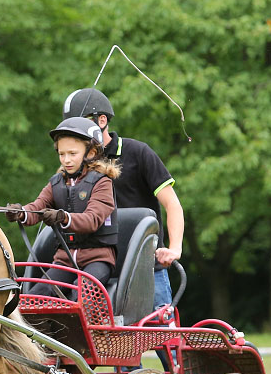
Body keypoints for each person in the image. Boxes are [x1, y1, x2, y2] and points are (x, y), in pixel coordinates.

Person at [62, 87, 184, 314]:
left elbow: (172, 204)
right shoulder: (75, 164)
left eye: (80, 126)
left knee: (164, 341)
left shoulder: (138, 153)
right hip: (93, 264)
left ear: (101, 120)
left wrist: (174, 248)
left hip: (145, 266)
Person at [6, 116, 120, 298]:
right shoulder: (56, 183)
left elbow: (92, 220)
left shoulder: (102, 183)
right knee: (37, 296)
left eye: (72, 154)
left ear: (90, 153)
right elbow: (37, 207)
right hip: (64, 261)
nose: (66, 160)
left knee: (83, 296)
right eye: (61, 154)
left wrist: (63, 217)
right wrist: (21, 213)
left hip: (97, 259)